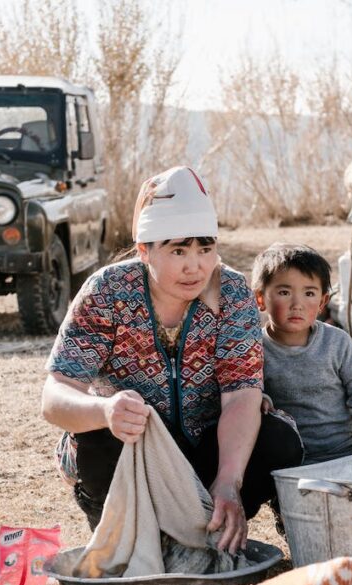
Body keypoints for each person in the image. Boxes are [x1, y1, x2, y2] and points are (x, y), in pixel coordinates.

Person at [41, 166, 303, 554]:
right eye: (178, 250)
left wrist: (229, 480)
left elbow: (241, 394)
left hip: (202, 454)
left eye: (205, 249)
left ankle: (212, 527)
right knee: (97, 437)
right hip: (133, 458)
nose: (194, 267)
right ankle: (121, 539)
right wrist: (105, 410)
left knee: (277, 438)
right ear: (145, 250)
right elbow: (55, 395)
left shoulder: (232, 293)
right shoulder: (108, 292)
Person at [251, 243, 352, 464]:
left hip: (349, 452)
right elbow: (245, 391)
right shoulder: (253, 348)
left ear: (323, 302)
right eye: (284, 292)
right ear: (260, 299)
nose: (297, 304)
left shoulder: (337, 342)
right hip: (294, 461)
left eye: (309, 293)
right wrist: (258, 398)